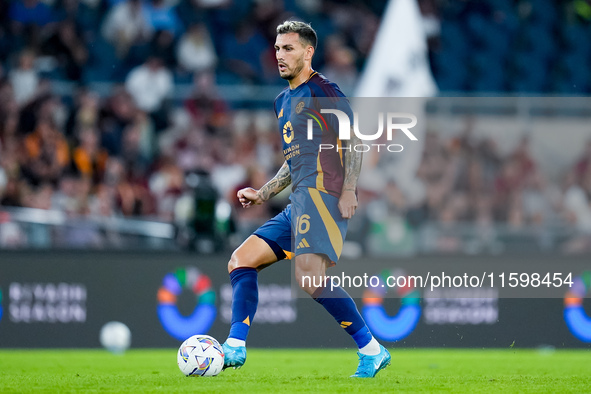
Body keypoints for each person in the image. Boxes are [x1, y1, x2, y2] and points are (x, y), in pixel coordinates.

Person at [221, 20, 390, 378]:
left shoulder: (324, 91)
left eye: (289, 49)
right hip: (298, 200)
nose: (280, 56)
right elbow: (294, 159)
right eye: (278, 48)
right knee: (241, 261)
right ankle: (235, 345)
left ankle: (371, 351)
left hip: (324, 195)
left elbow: (354, 142)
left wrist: (348, 190)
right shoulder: (283, 100)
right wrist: (263, 192)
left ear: (308, 52)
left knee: (310, 279)